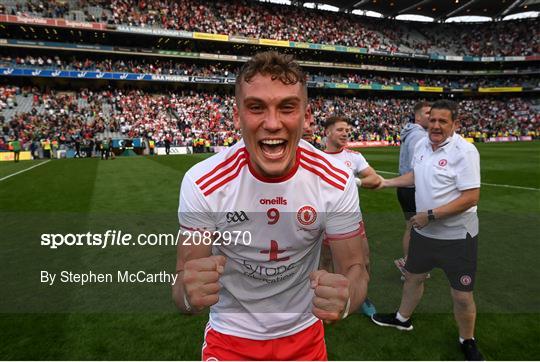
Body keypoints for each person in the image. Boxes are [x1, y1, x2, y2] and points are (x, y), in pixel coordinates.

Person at [173, 51, 369, 361]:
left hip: (305, 334)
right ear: (238, 116)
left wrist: (346, 299)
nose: (273, 123)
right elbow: (184, 281)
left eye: (287, 107)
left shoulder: (335, 181)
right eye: (256, 108)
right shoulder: (203, 182)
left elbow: (356, 268)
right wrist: (187, 294)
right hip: (230, 337)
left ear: (306, 117)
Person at [371, 100, 483, 361]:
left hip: (458, 237)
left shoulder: (465, 152)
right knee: (412, 278)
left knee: (462, 294)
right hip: (424, 233)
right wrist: (386, 183)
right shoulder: (421, 144)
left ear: (455, 124)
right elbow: (415, 175)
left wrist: (430, 216)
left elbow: (471, 197)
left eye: (443, 121)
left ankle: (467, 339)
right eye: (432, 120)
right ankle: (402, 319)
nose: (436, 125)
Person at [321, 115, 382, 317]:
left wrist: (355, 182)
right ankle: (327, 300)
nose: (346, 133)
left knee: (362, 261)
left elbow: (374, 178)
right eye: (340, 130)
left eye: (347, 130)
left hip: (351, 219)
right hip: (322, 220)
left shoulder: (354, 157)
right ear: (327, 132)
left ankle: (362, 296)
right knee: (325, 262)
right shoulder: (316, 158)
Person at [394, 101, 431, 278]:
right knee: (416, 228)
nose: (431, 116)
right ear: (417, 116)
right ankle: (410, 267)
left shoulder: (412, 133)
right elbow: (419, 165)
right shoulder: (419, 136)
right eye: (427, 113)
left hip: (406, 187)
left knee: (413, 227)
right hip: (413, 187)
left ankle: (412, 263)